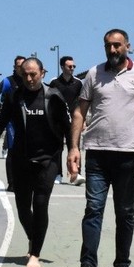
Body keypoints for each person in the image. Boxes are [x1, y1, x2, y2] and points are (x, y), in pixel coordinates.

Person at [67, 29, 134, 267]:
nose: (112, 50)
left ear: (127, 46)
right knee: (93, 209)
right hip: (97, 153)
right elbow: (79, 113)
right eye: (108, 46)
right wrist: (74, 148)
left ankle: (122, 264)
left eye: (117, 45)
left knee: (125, 212)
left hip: (128, 155)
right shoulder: (93, 74)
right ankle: (87, 265)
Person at [0, 57, 72, 267]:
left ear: (42, 73)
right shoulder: (15, 96)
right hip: (20, 160)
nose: (29, 79)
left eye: (33, 74)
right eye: (25, 75)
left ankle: (35, 253)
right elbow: (0, 124)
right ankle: (34, 238)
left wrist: (72, 154)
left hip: (47, 160)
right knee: (23, 208)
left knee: (40, 205)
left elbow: (68, 128)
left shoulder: (54, 96)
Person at [0, 55, 26, 191]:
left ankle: (24, 181)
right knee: (12, 150)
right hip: (12, 121)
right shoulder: (8, 81)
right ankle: (12, 183)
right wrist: (1, 108)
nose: (21, 68)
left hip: (27, 120)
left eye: (23, 65)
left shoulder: (29, 80)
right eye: (18, 66)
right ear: (14, 67)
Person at [49, 55, 86, 186]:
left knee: (74, 147)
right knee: (57, 148)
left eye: (74, 66)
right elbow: (50, 102)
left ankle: (76, 174)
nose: (72, 68)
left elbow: (82, 103)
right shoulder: (54, 82)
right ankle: (58, 173)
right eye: (69, 66)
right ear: (62, 67)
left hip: (74, 121)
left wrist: (84, 121)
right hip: (57, 121)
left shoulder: (78, 83)